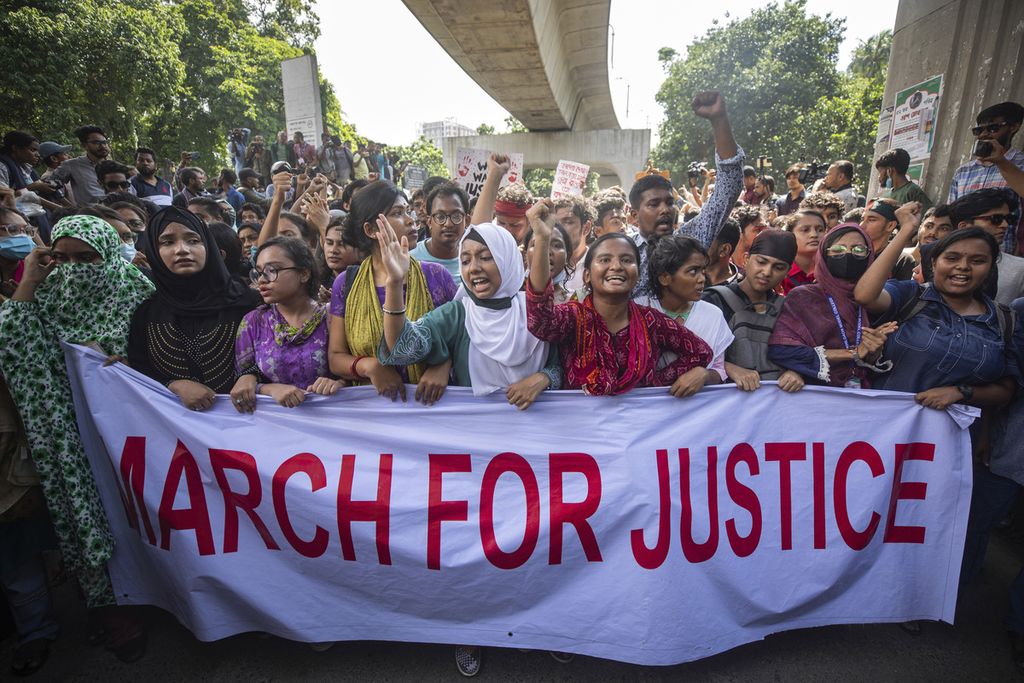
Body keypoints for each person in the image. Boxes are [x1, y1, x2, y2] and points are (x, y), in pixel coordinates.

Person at [0, 214, 154, 658]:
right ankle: (112, 612)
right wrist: (30, 279)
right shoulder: (46, 297)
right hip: (69, 436)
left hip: (131, 433)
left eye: (85, 258)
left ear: (107, 253)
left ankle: (162, 592)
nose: (72, 268)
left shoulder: (136, 290)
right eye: (60, 257)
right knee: (89, 518)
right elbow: (13, 348)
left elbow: (157, 356)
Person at [526, 199, 712, 395]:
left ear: (637, 274)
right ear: (587, 275)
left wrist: (659, 386)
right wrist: (542, 238)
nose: (616, 266)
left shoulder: (651, 321)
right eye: (605, 259)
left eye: (626, 260)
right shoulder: (572, 317)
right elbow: (539, 320)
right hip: (579, 423)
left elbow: (701, 353)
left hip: (639, 423)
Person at [378, 218, 561, 405]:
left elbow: (560, 366)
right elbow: (403, 349)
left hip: (531, 431)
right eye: (465, 261)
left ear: (507, 259)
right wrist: (394, 282)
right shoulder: (458, 314)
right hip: (475, 429)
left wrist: (543, 378)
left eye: (485, 257)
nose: (473, 268)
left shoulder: (536, 312)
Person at [853, 206, 1017, 404]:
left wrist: (961, 392)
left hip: (952, 433)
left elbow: (1007, 390)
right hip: (884, 424)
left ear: (990, 268)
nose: (963, 266)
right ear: (933, 264)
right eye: (952, 258)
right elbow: (865, 296)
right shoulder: (910, 296)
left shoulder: (1005, 321)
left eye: (977, 260)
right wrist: (906, 230)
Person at [327, 180, 457, 400]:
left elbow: (463, 337)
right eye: (398, 213)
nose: (411, 220)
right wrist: (369, 366)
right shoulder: (346, 283)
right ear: (370, 230)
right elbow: (336, 357)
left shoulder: (436, 276)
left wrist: (442, 365)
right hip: (374, 412)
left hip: (432, 405)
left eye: (408, 211)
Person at [127, 207, 262, 409]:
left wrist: (250, 375)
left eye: (193, 240)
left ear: (208, 246)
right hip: (177, 432)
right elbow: (140, 370)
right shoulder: (148, 313)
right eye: (167, 241)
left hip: (248, 425)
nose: (182, 249)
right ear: (154, 251)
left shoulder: (248, 301)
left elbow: (277, 355)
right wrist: (174, 385)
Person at [631, 91, 743, 296]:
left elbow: (729, 186)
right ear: (633, 214)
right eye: (654, 204)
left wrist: (719, 120)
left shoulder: (691, 238)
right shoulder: (622, 251)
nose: (665, 210)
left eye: (669, 202)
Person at [767, 223, 897, 388]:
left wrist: (873, 353)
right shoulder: (804, 298)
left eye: (858, 250)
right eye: (838, 250)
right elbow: (783, 350)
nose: (848, 255)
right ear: (823, 255)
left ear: (870, 256)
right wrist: (852, 354)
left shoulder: (878, 301)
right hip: (814, 395)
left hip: (860, 396)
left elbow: (879, 362)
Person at [230, 237, 341, 411]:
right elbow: (243, 383)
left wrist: (338, 383)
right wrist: (269, 389)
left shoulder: (332, 318)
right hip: (275, 427)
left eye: (272, 270)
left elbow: (353, 375)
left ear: (304, 274)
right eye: (259, 272)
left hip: (331, 422)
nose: (262, 280)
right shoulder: (253, 323)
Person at [703, 229, 805, 392]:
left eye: (778, 267)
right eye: (761, 262)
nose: (767, 272)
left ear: (787, 272)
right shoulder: (712, 301)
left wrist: (796, 372)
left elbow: (802, 353)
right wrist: (729, 368)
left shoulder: (788, 309)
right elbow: (694, 355)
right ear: (746, 259)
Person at [634, 235, 734, 391]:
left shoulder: (713, 315)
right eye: (693, 271)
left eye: (703, 270)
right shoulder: (637, 311)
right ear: (665, 278)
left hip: (695, 412)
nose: (702, 279)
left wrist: (704, 375)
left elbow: (719, 370)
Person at [948, 101, 1024, 254]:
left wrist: (1001, 162)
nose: (983, 135)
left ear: (1014, 127)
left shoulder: (1020, 165)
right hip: (963, 252)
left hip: (1005, 257)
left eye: (993, 128)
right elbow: (951, 216)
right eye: (978, 130)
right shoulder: (963, 171)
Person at [947, 188, 1024, 304]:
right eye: (996, 219)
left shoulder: (1020, 269)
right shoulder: (937, 260)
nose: (1005, 225)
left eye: (1009, 219)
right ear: (964, 226)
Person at [410, 182, 469, 283]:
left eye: (456, 216)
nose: (448, 224)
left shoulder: (474, 260)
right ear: (429, 222)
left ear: (466, 221)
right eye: (440, 217)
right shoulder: (411, 261)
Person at [49, 125, 111, 205]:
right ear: (84, 145)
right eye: (96, 143)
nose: (103, 146)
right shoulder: (72, 165)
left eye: (104, 142)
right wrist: (69, 206)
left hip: (117, 213)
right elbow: (50, 184)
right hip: (91, 214)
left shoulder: (115, 167)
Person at [860, 198, 917, 280]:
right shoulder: (855, 251)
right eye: (862, 219)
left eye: (871, 220)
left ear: (890, 226)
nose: (862, 226)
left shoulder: (901, 260)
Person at [523, 222, 575, 303]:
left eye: (556, 245)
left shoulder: (578, 301)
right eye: (537, 244)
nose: (546, 252)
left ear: (567, 256)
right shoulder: (512, 299)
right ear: (525, 255)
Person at [780, 209, 826, 293]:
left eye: (820, 230)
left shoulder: (831, 270)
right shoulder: (780, 272)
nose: (814, 235)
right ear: (790, 235)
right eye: (805, 230)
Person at [553, 195, 595, 270]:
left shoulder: (598, 265)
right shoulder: (543, 267)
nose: (558, 229)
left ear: (586, 228)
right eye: (555, 224)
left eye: (568, 222)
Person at [705, 218, 740, 286]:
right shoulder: (688, 278)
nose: (698, 246)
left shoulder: (740, 288)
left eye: (706, 241)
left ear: (724, 250)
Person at [730, 205, 766, 270]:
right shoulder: (723, 262)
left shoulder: (764, 262)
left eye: (764, 229)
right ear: (740, 232)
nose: (763, 233)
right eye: (758, 230)